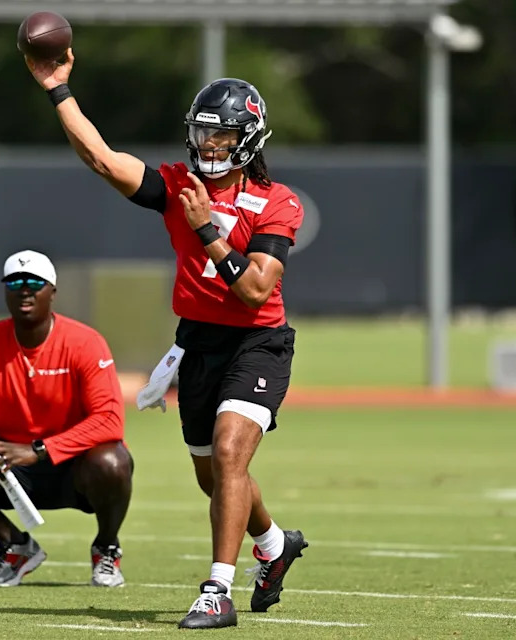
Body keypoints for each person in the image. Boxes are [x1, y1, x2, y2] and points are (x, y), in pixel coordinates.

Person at [26, 53, 308, 628]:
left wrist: (207, 229)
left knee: (231, 454)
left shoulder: (277, 201)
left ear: (248, 140)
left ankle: (217, 591)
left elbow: (255, 290)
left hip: (257, 342)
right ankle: (275, 544)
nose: (208, 146)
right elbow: (103, 160)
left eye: (221, 136)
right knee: (215, 476)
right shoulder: (178, 185)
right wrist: (59, 90)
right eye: (202, 133)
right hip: (197, 344)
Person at [0, 249, 133, 588]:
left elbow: (108, 420)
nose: (25, 289)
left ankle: (106, 547)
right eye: (15, 281)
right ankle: (15, 545)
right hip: (10, 470)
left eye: (35, 282)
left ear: (52, 291)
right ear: (5, 290)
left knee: (113, 461)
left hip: (73, 467)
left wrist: (39, 450)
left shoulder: (84, 342)